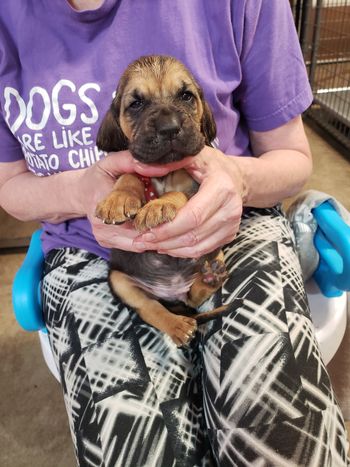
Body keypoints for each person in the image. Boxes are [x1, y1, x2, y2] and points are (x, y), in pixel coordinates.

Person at [0, 0, 348, 465]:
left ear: (201, 110)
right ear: (117, 120)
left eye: (184, 98)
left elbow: (292, 158)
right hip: (94, 253)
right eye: (138, 104)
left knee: (282, 438)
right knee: (139, 448)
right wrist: (81, 191)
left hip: (234, 226)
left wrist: (239, 180)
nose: (165, 122)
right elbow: (9, 186)